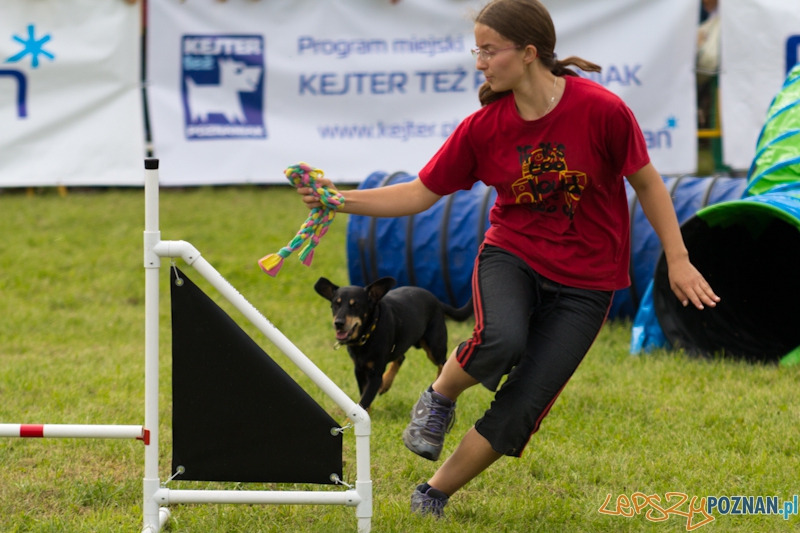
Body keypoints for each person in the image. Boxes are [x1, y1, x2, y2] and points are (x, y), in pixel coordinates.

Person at [299, 0, 720, 518]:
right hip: (512, 255)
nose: (479, 61)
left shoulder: (602, 111)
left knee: (524, 404)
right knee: (501, 339)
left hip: (589, 281)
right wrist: (339, 200)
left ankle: (433, 491)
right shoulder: (484, 127)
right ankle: (440, 397)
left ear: (527, 53)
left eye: (488, 50)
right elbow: (418, 195)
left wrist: (677, 259)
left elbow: (649, 184)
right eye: (477, 49)